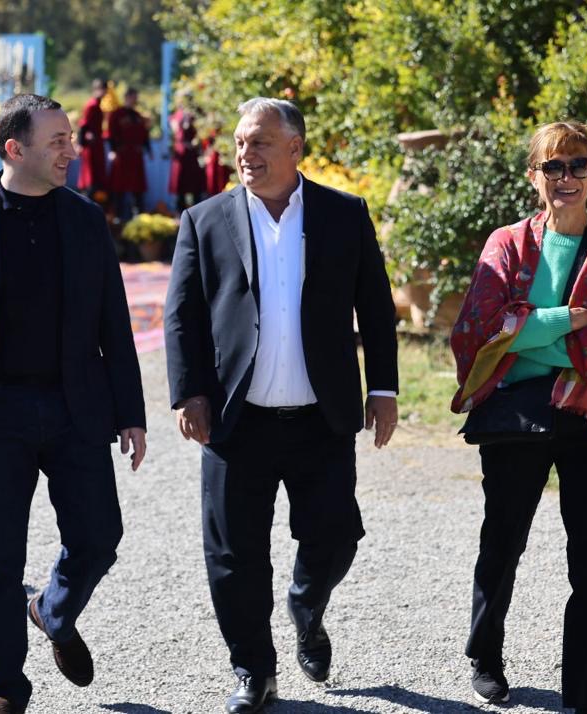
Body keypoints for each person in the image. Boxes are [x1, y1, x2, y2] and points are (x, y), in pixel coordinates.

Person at [0, 93, 147, 714]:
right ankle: (7, 691)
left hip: (76, 407)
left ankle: (52, 611)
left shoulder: (86, 218)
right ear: (15, 149)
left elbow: (114, 322)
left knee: (99, 537)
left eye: (70, 137)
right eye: (58, 141)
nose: (71, 149)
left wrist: (131, 413)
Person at [164, 98, 399, 714]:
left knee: (336, 537)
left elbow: (375, 307)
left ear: (295, 148)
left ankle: (306, 604)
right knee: (233, 554)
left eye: (261, 142)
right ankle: (254, 670)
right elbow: (181, 315)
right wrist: (189, 392)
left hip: (321, 419)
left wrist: (383, 389)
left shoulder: (343, 215)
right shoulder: (204, 219)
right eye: (241, 142)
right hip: (235, 421)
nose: (246, 153)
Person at [450, 121, 587, 713]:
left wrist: (525, 333)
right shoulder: (507, 244)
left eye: (578, 164)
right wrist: (569, 318)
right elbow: (478, 330)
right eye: (553, 166)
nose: (567, 177)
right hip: (516, 416)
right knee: (502, 542)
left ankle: (585, 697)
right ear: (533, 175)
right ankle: (485, 655)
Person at [107, 87, 151, 221]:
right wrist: (113, 150)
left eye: (136, 98)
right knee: (119, 186)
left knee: (138, 186)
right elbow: (111, 134)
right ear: (127, 97)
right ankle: (118, 216)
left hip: (136, 156)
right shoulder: (117, 114)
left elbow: (144, 135)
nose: (135, 100)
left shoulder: (138, 116)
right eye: (133, 97)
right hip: (122, 155)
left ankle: (139, 217)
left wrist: (148, 150)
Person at [168, 95, 206, 211]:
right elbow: (174, 130)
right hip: (181, 152)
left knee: (195, 184)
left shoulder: (196, 113)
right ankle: (180, 210)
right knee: (180, 183)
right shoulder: (178, 114)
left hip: (193, 154)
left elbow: (202, 130)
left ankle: (197, 211)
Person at [76, 79, 108, 199]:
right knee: (90, 177)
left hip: (97, 145)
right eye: (102, 90)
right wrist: (80, 144)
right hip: (91, 148)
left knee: (97, 177)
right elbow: (83, 125)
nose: (104, 93)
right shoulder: (92, 105)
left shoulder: (98, 105)